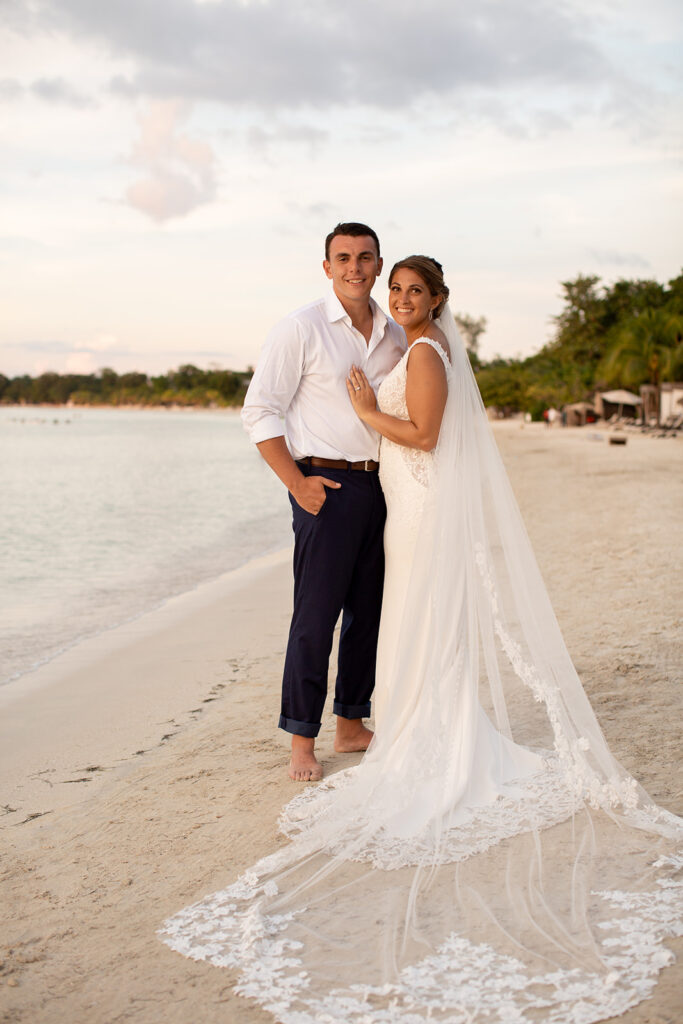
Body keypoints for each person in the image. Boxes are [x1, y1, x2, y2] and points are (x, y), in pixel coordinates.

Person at [163, 256, 682, 1024]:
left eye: (408, 286)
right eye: (388, 283)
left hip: (405, 496)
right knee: (349, 616)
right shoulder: (330, 331)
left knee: (398, 616)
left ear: (434, 299)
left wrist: (369, 412)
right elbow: (263, 411)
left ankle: (383, 727)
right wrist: (298, 478)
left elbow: (426, 433)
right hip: (359, 493)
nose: (395, 293)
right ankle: (327, 733)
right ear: (340, 269)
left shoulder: (420, 347)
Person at [241, 222, 405, 782]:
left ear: (379, 264)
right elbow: (260, 411)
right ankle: (302, 742)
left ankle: (351, 724)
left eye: (364, 257)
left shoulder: (393, 334)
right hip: (324, 487)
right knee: (316, 616)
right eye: (343, 258)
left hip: (381, 487)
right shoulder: (301, 328)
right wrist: (297, 484)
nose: (354, 267)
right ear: (327, 267)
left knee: (368, 615)